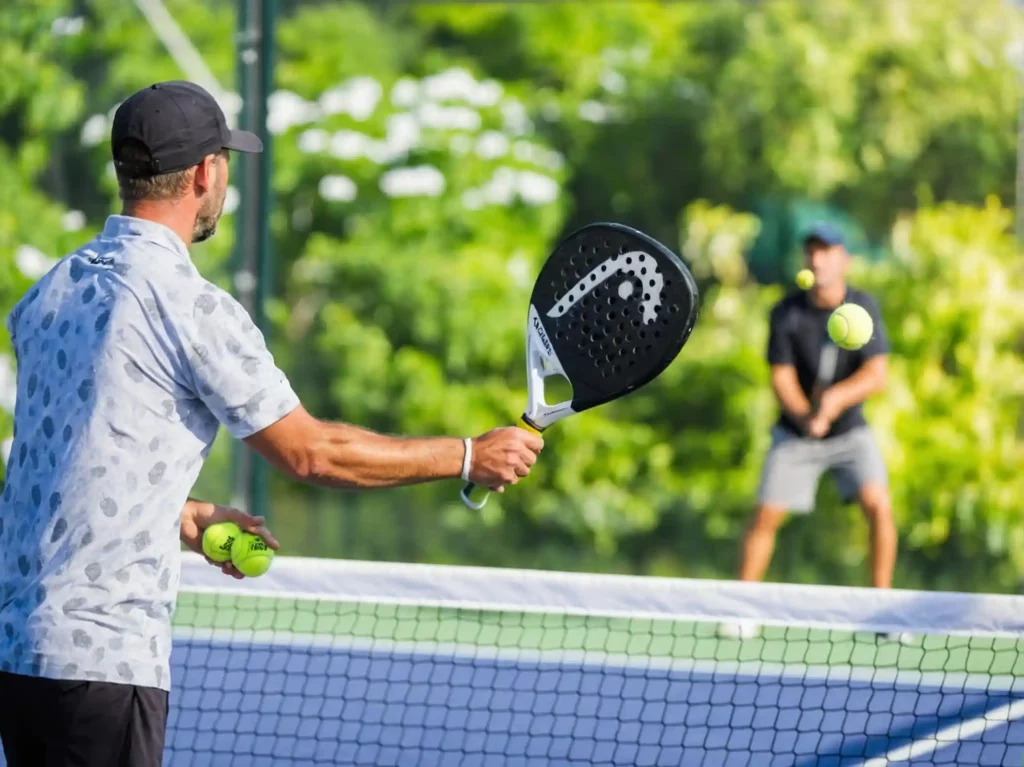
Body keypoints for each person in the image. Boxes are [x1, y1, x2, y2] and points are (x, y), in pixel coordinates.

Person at [0, 80, 542, 766]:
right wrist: (468, 455)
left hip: (21, 655)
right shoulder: (188, 305)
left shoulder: (48, 293)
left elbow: (58, 459)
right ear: (206, 172)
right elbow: (311, 453)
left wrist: (183, 514)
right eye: (224, 162)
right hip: (104, 665)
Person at [728, 223, 896, 631]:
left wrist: (835, 401)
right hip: (795, 433)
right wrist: (807, 416)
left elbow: (876, 374)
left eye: (826, 251)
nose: (817, 259)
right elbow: (781, 377)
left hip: (849, 432)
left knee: (879, 506)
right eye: (811, 251)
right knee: (765, 516)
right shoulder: (786, 312)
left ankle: (885, 611)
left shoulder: (862, 306)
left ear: (844, 259)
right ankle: (739, 611)